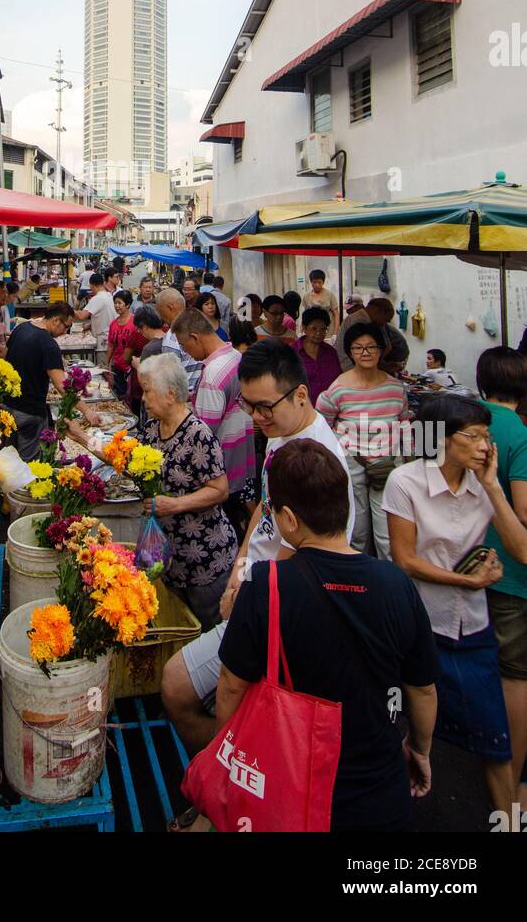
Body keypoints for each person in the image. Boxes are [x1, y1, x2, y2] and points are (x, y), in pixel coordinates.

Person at [214, 440, 439, 833]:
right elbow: (421, 689)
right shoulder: (396, 584)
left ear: (288, 519)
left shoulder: (266, 585)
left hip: (289, 789)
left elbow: (231, 686)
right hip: (380, 794)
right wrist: (420, 749)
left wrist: (229, 756)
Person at [162, 341, 354, 756]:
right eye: (249, 406)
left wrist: (249, 592)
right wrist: (239, 568)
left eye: (266, 406)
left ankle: (223, 780)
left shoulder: (316, 462)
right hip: (258, 588)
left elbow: (302, 557)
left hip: (279, 608)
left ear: (301, 394)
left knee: (177, 686)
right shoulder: (283, 434)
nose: (257, 417)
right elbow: (263, 514)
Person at [384, 393, 527, 814]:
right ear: (443, 439)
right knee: (413, 730)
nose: (485, 445)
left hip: (474, 626)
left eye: (487, 436)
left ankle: (508, 824)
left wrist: (492, 486)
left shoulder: (481, 483)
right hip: (422, 627)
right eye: (475, 436)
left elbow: (521, 550)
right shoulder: (406, 482)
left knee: (495, 737)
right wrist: (469, 579)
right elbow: (405, 559)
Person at [135, 353, 239, 629]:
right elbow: (126, 457)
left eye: (147, 391)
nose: (143, 399)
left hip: (204, 560)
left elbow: (219, 490)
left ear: (170, 395)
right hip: (171, 559)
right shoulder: (152, 430)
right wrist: (84, 438)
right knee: (182, 626)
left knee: (212, 628)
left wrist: (175, 505)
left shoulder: (198, 435)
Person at [475, 347, 527, 801]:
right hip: (510, 570)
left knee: (480, 658)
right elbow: (524, 510)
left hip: (466, 561)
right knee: (514, 674)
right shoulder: (519, 431)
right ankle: (509, 767)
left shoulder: (466, 422)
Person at [317, 321, 410, 560]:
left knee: (387, 535)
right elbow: (322, 427)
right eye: (359, 348)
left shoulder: (395, 388)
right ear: (350, 352)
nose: (366, 353)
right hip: (352, 465)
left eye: (372, 347)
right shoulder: (338, 389)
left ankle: (390, 586)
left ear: (382, 350)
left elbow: (404, 424)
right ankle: (361, 582)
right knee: (356, 532)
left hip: (388, 467)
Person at [173, 307, 255, 509]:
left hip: (220, 473)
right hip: (242, 461)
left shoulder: (212, 376)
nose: (186, 353)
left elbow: (203, 435)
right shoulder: (235, 356)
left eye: (184, 346)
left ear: (195, 337)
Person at [4, 302, 99, 459]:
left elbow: (5, 358)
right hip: (30, 412)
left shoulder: (21, 329)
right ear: (55, 320)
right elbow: (62, 386)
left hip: (7, 407)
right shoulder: (48, 344)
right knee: (29, 463)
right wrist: (86, 410)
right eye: (66, 327)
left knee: (8, 458)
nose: (65, 332)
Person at [157, 287, 203, 398]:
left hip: (183, 398)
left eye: (162, 314)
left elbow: (170, 378)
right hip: (200, 394)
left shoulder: (172, 336)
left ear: (170, 308)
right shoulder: (200, 322)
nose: (162, 319)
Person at [292, 305, 342, 405]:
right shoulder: (292, 352)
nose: (319, 333)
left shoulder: (331, 352)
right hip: (301, 409)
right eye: (314, 328)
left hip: (330, 409)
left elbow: (339, 381)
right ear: (304, 328)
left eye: (323, 329)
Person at [128, 303, 166, 417]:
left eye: (139, 328)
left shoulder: (150, 348)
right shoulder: (169, 340)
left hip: (153, 400)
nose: (139, 332)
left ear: (144, 326)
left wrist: (137, 365)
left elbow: (144, 381)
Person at [72, 270, 115, 366]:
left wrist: (68, 310)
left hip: (104, 340)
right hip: (110, 338)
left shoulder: (98, 298)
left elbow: (82, 316)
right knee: (109, 368)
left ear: (91, 285)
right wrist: (91, 325)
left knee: (104, 368)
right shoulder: (109, 295)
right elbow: (105, 315)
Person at [107, 289, 141, 402]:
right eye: (115, 303)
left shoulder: (135, 322)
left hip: (131, 367)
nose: (117, 306)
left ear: (127, 304)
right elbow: (111, 345)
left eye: (119, 303)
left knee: (131, 397)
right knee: (119, 395)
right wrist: (106, 364)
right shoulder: (113, 324)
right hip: (117, 366)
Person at [302, 268, 340, 336]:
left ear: (323, 282)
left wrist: (335, 333)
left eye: (319, 282)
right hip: (312, 332)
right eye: (314, 282)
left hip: (328, 332)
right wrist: (302, 330)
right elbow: (305, 315)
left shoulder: (330, 295)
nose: (317, 285)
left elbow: (336, 314)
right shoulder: (306, 296)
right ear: (311, 282)